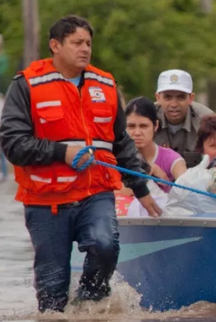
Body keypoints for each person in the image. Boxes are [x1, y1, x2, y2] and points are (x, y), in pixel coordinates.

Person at [0, 15, 162, 312]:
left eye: (88, 43)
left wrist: (141, 189)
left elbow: (121, 141)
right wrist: (60, 152)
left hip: (95, 193)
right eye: (76, 43)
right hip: (45, 201)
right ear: (55, 45)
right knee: (51, 298)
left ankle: (91, 308)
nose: (85, 49)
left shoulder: (106, 84)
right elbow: (12, 144)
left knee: (105, 245)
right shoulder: (26, 86)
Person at [152, 69, 213, 168]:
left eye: (180, 98)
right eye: (167, 97)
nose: (174, 104)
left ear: (191, 98)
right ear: (158, 97)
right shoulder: (146, 118)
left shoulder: (208, 121)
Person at [124, 97, 186, 193]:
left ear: (156, 125)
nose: (137, 132)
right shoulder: (115, 157)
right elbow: (111, 192)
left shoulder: (171, 158)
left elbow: (187, 188)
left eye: (143, 126)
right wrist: (147, 170)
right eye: (131, 126)